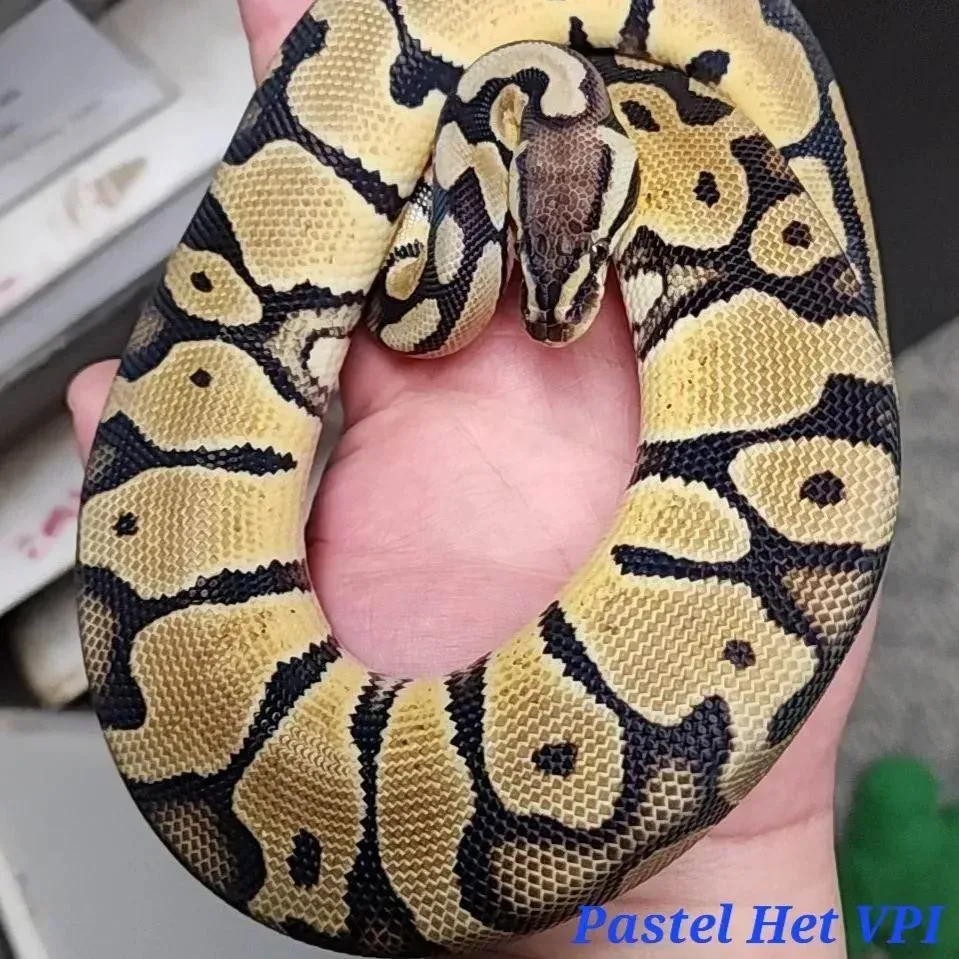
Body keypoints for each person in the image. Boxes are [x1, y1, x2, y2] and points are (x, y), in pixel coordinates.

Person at [66, 1, 878, 953]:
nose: (554, 315)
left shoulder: (539, 159)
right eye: (538, 271)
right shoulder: (559, 157)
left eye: (592, 267)